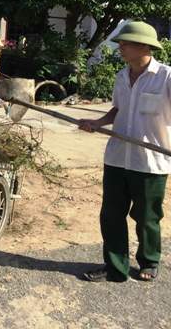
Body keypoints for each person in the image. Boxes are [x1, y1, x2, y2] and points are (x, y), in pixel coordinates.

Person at [79, 21, 171, 283]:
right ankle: (115, 265)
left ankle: (149, 260)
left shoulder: (165, 77)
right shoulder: (121, 76)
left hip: (150, 162)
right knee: (111, 215)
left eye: (124, 43)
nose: (119, 47)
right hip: (118, 158)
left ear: (143, 46)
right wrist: (97, 123)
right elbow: (117, 110)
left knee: (146, 217)